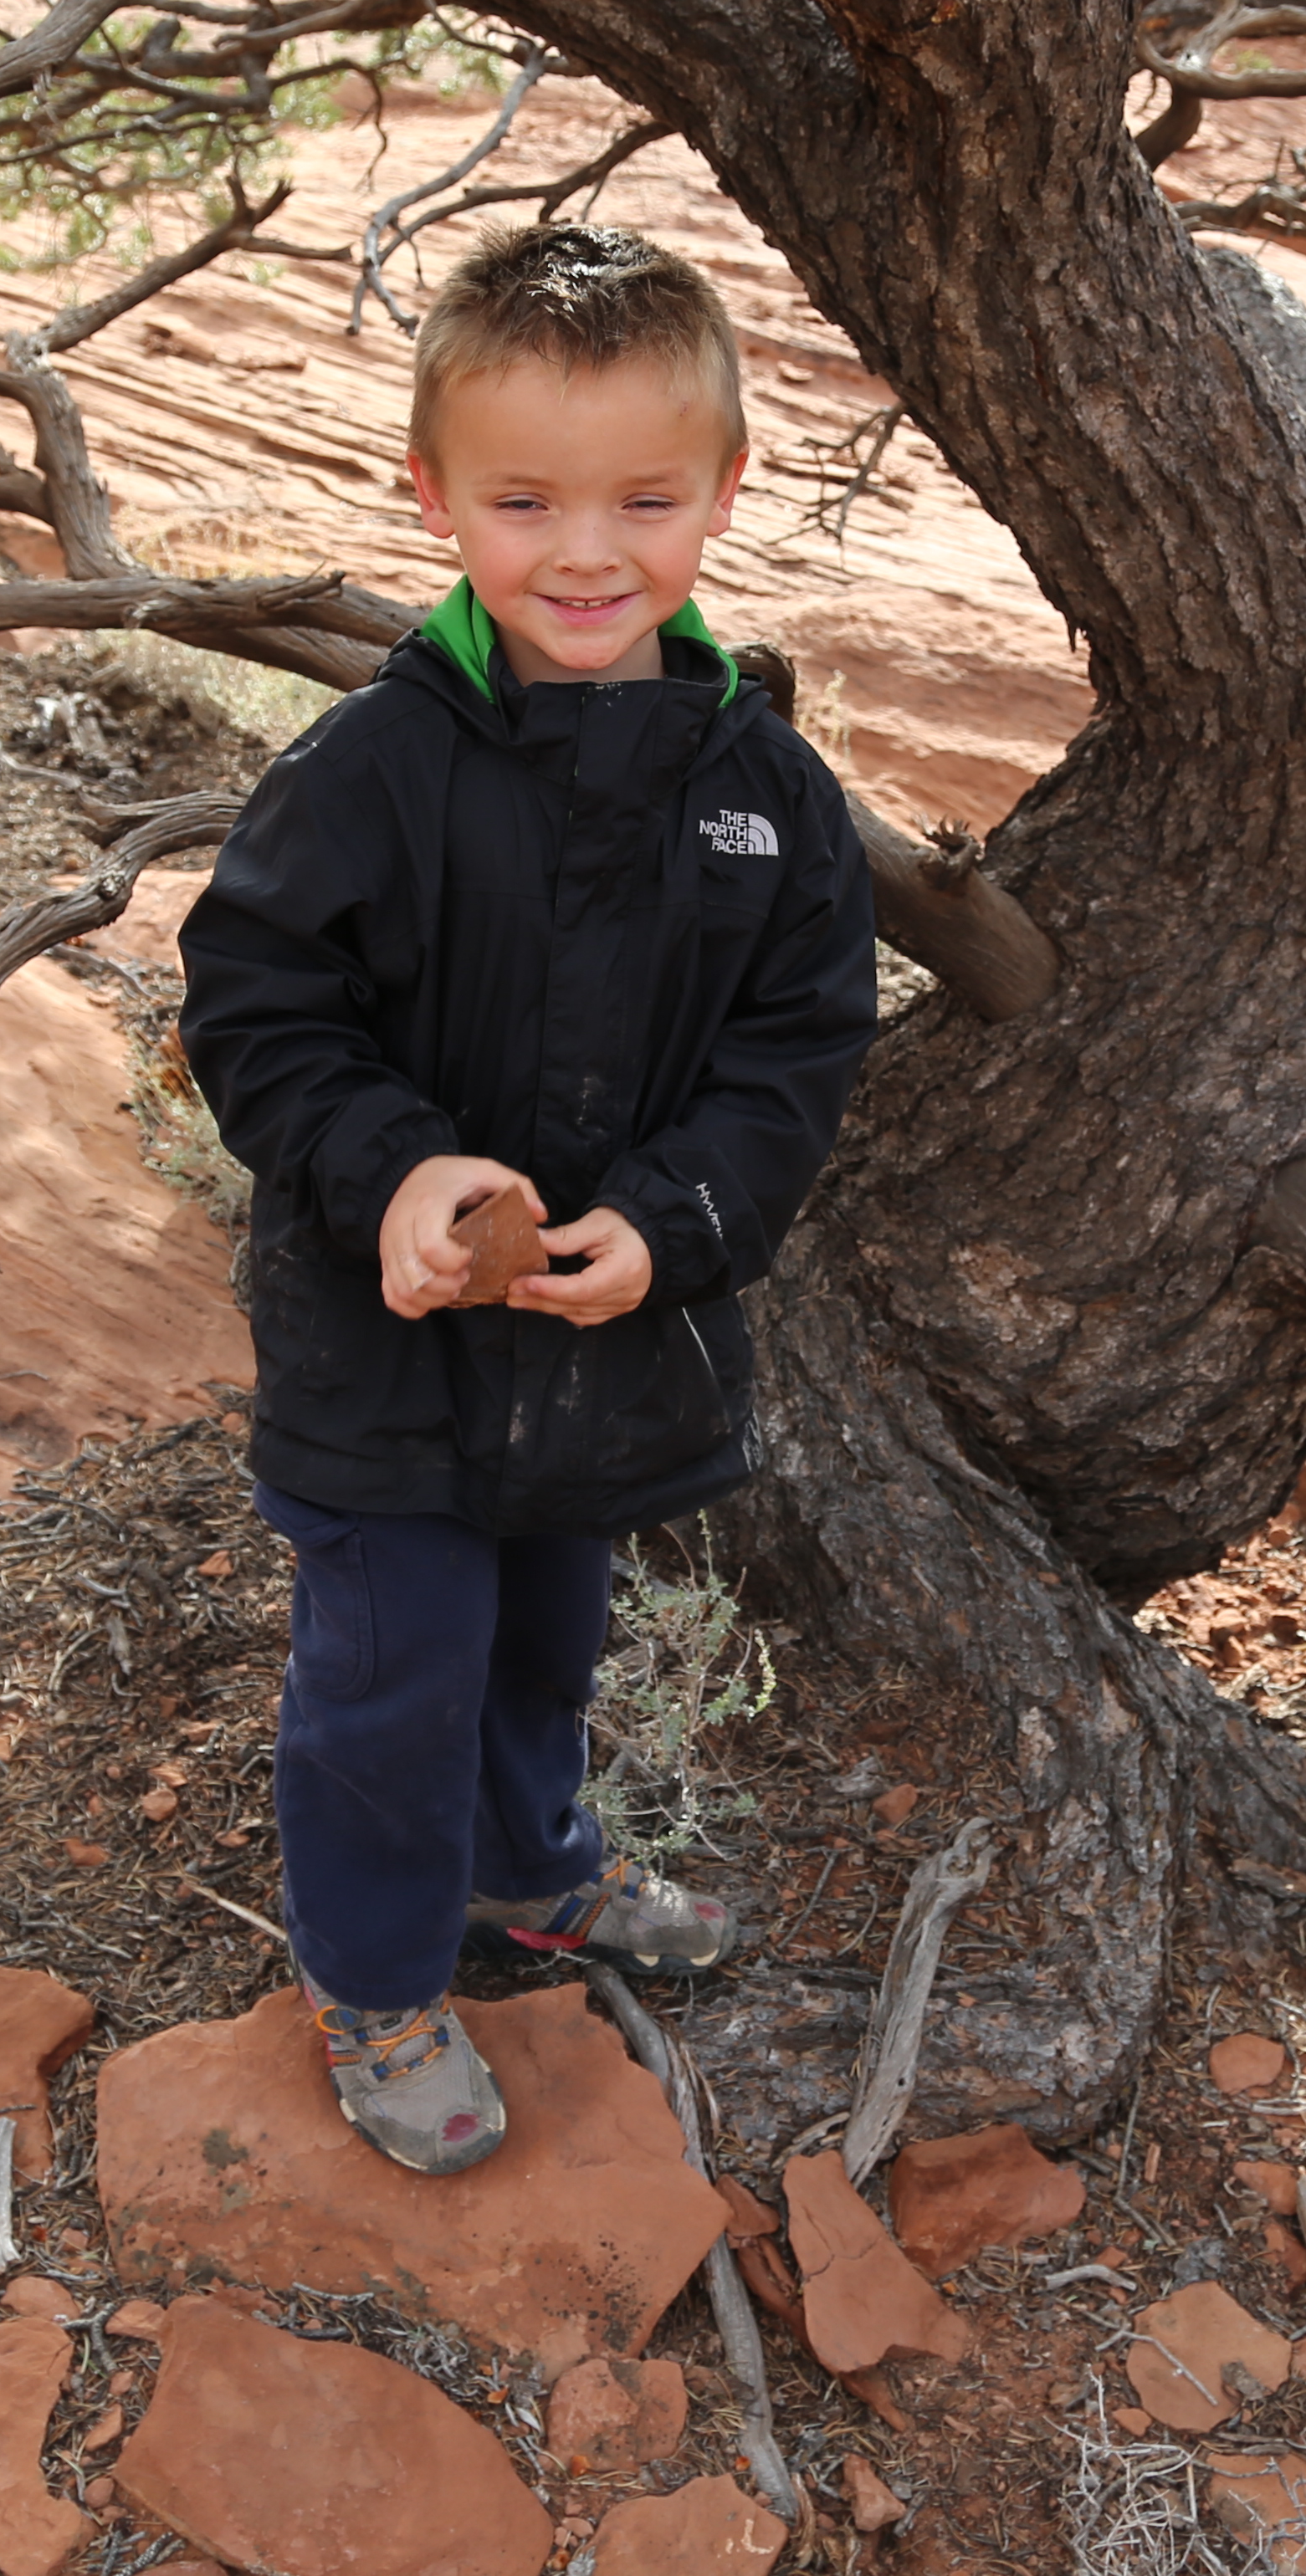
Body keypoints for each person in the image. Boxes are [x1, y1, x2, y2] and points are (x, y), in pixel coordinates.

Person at [175, 222, 883, 2175]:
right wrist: (392, 1167)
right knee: (392, 1675)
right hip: (382, 1353)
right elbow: (256, 1005)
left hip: (601, 1347)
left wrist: (671, 1223)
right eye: (525, 500)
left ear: (726, 490)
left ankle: (532, 1883)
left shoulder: (765, 792)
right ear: (433, 497)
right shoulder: (373, 768)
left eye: (648, 499)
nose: (590, 552)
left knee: (544, 1642)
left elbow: (797, 1054)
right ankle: (382, 1982)